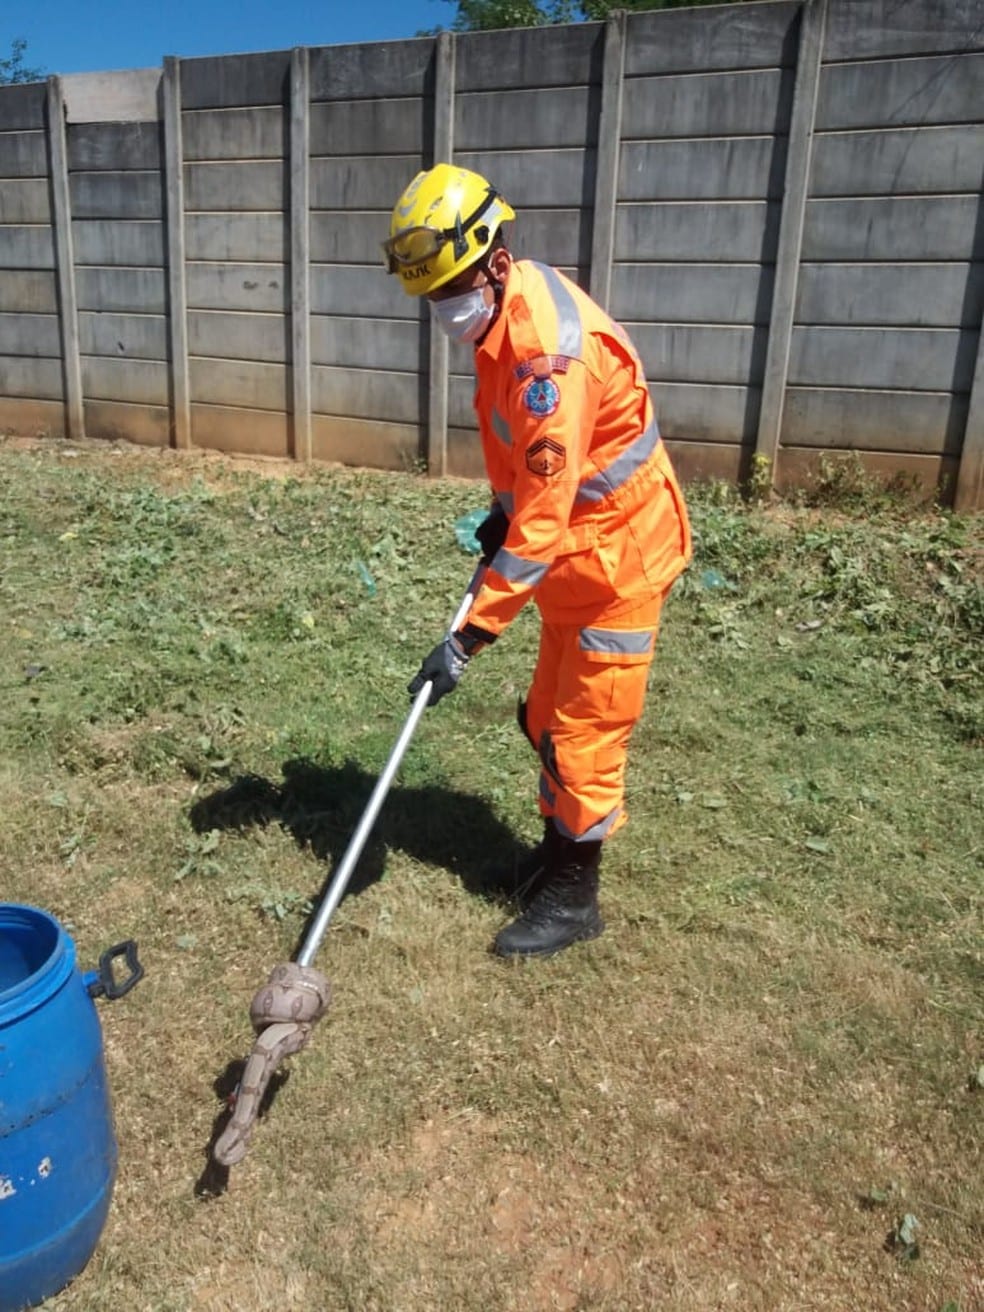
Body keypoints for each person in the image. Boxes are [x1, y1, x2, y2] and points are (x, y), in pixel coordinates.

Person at [383, 163, 692, 959]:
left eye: (452, 285)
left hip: (616, 559)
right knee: (546, 719)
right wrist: (501, 510)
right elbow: (532, 470)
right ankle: (556, 855)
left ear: (493, 258)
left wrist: (466, 640)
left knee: (586, 732)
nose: (443, 308)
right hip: (574, 556)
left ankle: (573, 897)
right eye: (431, 295)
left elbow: (547, 515)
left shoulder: (549, 360)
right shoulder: (501, 317)